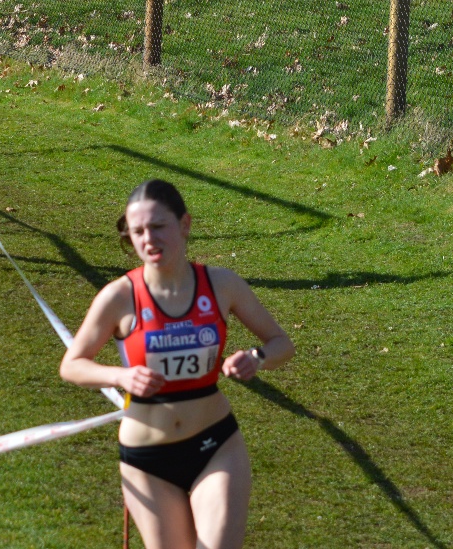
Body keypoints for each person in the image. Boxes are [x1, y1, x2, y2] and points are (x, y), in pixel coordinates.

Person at [60, 179, 294, 549]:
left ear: (184, 225)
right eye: (137, 232)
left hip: (216, 445)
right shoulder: (120, 297)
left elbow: (282, 343)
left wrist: (256, 358)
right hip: (148, 461)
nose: (148, 239)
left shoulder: (221, 285)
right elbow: (72, 365)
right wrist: (121, 375)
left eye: (158, 227)